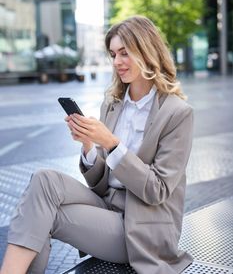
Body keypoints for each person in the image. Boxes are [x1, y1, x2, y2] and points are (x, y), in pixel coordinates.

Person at [0, 15, 193, 274]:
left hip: (141, 229)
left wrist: (112, 144)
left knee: (41, 217)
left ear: (147, 51)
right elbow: (100, 184)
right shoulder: (113, 105)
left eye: (125, 53)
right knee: (44, 180)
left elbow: (156, 190)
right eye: (113, 54)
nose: (116, 62)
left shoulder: (177, 113)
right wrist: (90, 147)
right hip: (107, 207)